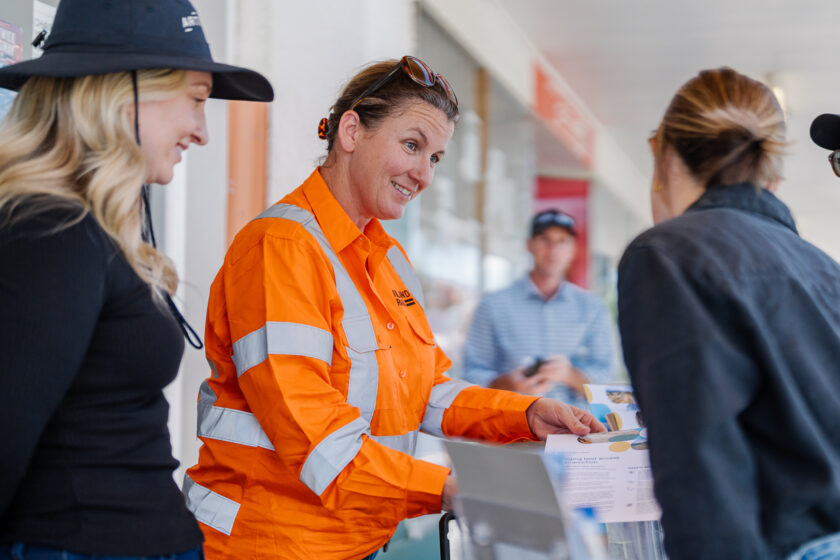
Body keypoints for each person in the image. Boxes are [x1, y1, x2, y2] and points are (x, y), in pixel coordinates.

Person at [183, 55, 604, 560]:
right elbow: (317, 439)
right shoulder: (282, 248)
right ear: (352, 131)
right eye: (412, 145)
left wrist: (528, 414)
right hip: (268, 544)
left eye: (436, 158)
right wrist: (447, 487)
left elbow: (426, 392)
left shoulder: (388, 259)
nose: (423, 174)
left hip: (353, 541)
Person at [0, 1, 273, 559]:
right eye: (196, 101)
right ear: (125, 93)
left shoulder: (88, 227)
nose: (200, 132)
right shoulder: (52, 230)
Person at [617, 67, 840, 560]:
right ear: (770, 173)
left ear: (664, 153)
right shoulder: (823, 268)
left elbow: (700, 468)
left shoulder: (669, 253)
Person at [463, 209, 616, 408]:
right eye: (545, 239)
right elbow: (470, 375)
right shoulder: (493, 304)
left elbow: (607, 381)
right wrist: (507, 383)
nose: (553, 250)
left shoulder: (592, 307)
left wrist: (569, 375)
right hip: (509, 426)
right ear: (530, 245)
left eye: (562, 241)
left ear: (572, 249)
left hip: (575, 429)